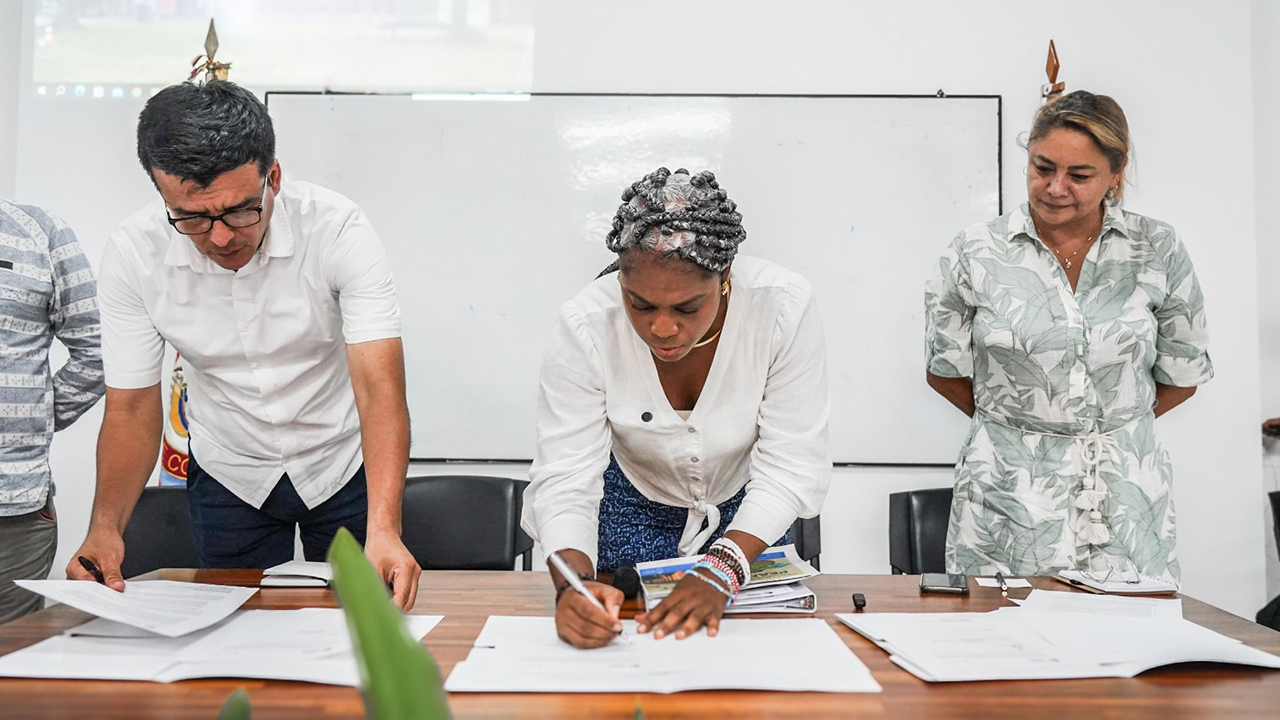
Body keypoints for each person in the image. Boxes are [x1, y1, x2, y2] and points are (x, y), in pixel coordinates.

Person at [65, 80, 421, 609]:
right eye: (192, 218)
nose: (222, 237)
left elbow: (379, 387)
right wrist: (105, 527)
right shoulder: (135, 254)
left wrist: (386, 528)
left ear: (272, 177)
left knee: (361, 621)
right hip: (230, 470)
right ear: (162, 193)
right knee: (233, 631)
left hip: (342, 464)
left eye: (239, 211)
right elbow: (133, 407)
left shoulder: (337, 229)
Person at [522, 167, 831, 648]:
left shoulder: (782, 308)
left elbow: (791, 464)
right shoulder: (586, 323)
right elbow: (565, 476)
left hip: (749, 507)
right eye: (640, 305)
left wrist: (724, 568)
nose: (662, 329)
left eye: (686, 308)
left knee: (755, 654)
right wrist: (571, 586)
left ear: (725, 276)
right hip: (630, 499)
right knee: (625, 643)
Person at [925, 90, 1212, 584]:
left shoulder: (1157, 248)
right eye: (1042, 168)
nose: (1056, 187)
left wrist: (1104, 428)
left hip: (1124, 491)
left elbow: (1183, 374)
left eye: (1079, 176)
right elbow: (945, 372)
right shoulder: (974, 251)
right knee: (1002, 639)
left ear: (1115, 175)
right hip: (1006, 492)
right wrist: (1030, 428)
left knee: (1128, 643)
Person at [0, 202, 105, 624]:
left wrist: (35, 417)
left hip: (14, 507)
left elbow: (97, 351)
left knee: (9, 664)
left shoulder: (39, 231)